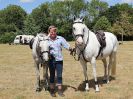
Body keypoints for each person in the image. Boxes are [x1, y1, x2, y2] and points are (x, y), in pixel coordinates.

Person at [48, 25, 72, 97]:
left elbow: (66, 45)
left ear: (56, 31)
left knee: (59, 76)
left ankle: (59, 91)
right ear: (49, 32)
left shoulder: (60, 38)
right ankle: (52, 91)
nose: (53, 33)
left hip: (59, 60)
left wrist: (71, 49)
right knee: (52, 75)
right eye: (51, 31)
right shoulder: (46, 40)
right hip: (51, 60)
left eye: (54, 31)